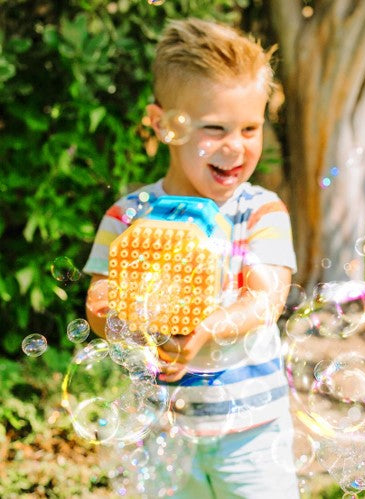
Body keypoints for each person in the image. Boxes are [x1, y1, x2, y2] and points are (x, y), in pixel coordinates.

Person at [84, 18, 299, 498]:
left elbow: (269, 298)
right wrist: (127, 320)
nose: (236, 146)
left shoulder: (259, 210)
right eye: (215, 128)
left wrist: (208, 328)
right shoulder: (129, 217)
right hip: (159, 426)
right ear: (164, 125)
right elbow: (99, 302)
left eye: (250, 128)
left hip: (251, 431)